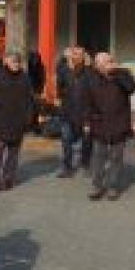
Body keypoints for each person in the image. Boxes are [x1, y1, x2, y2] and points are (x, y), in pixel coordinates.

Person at [83, 52, 135, 201]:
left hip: (119, 123)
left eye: (106, 63)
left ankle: (113, 187)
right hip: (99, 123)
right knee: (98, 157)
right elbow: (87, 101)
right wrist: (87, 121)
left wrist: (117, 72)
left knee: (116, 157)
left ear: (111, 62)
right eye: (99, 64)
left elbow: (132, 88)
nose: (102, 67)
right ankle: (97, 186)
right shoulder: (92, 78)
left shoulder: (123, 74)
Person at [0, 52, 35, 191]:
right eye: (13, 61)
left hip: (18, 121)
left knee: (13, 153)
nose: (16, 64)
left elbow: (30, 100)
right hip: (0, 120)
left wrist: (29, 118)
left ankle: (8, 179)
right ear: (6, 62)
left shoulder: (25, 78)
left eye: (18, 62)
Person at [56, 47, 93, 178]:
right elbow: (59, 89)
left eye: (79, 54)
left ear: (83, 57)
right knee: (66, 141)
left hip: (85, 114)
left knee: (87, 141)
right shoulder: (64, 70)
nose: (76, 57)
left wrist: (89, 65)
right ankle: (67, 167)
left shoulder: (89, 71)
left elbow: (93, 91)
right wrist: (63, 59)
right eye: (74, 54)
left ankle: (85, 164)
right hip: (67, 113)